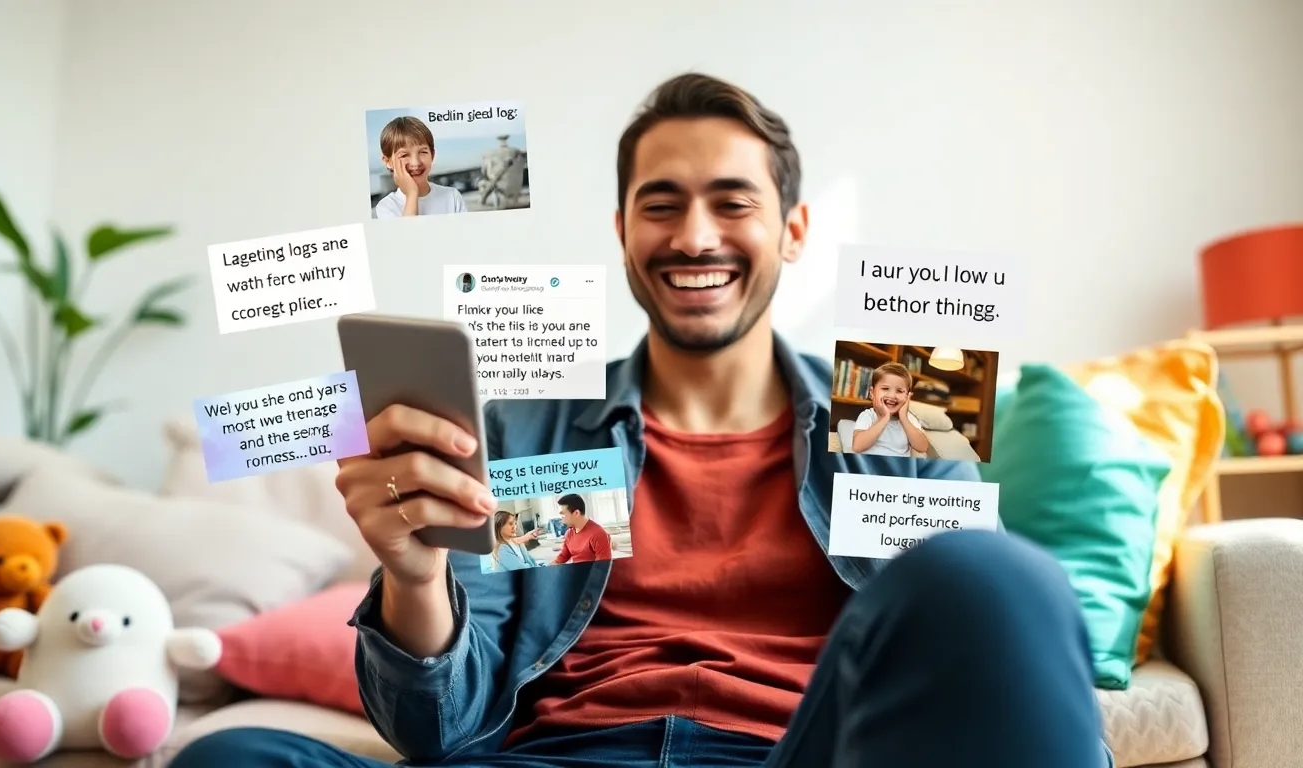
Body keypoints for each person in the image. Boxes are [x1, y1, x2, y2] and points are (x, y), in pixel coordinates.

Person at [171, 73, 1113, 768]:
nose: (695, 236)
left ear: (793, 229)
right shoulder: (531, 432)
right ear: (621, 230)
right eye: (660, 206)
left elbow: (979, 653)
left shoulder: (904, 408)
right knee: (232, 756)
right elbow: (437, 732)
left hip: (794, 758)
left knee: (994, 576)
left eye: (731, 203)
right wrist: (414, 577)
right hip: (556, 760)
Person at [374, 116, 467, 218]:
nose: (416, 163)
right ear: (388, 161)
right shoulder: (387, 207)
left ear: (432, 155)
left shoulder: (452, 197)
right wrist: (412, 194)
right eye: (404, 155)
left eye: (423, 152)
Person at [848, 362, 931, 457]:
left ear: (907, 396)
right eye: (885, 388)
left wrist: (904, 418)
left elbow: (923, 447)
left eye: (899, 391)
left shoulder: (909, 419)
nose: (892, 396)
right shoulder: (868, 415)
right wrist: (884, 418)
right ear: (872, 393)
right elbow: (857, 446)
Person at [549, 494, 612, 564]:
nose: (561, 519)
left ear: (576, 513)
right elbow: (562, 557)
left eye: (563, 514)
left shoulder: (598, 534)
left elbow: (603, 567)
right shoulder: (569, 533)